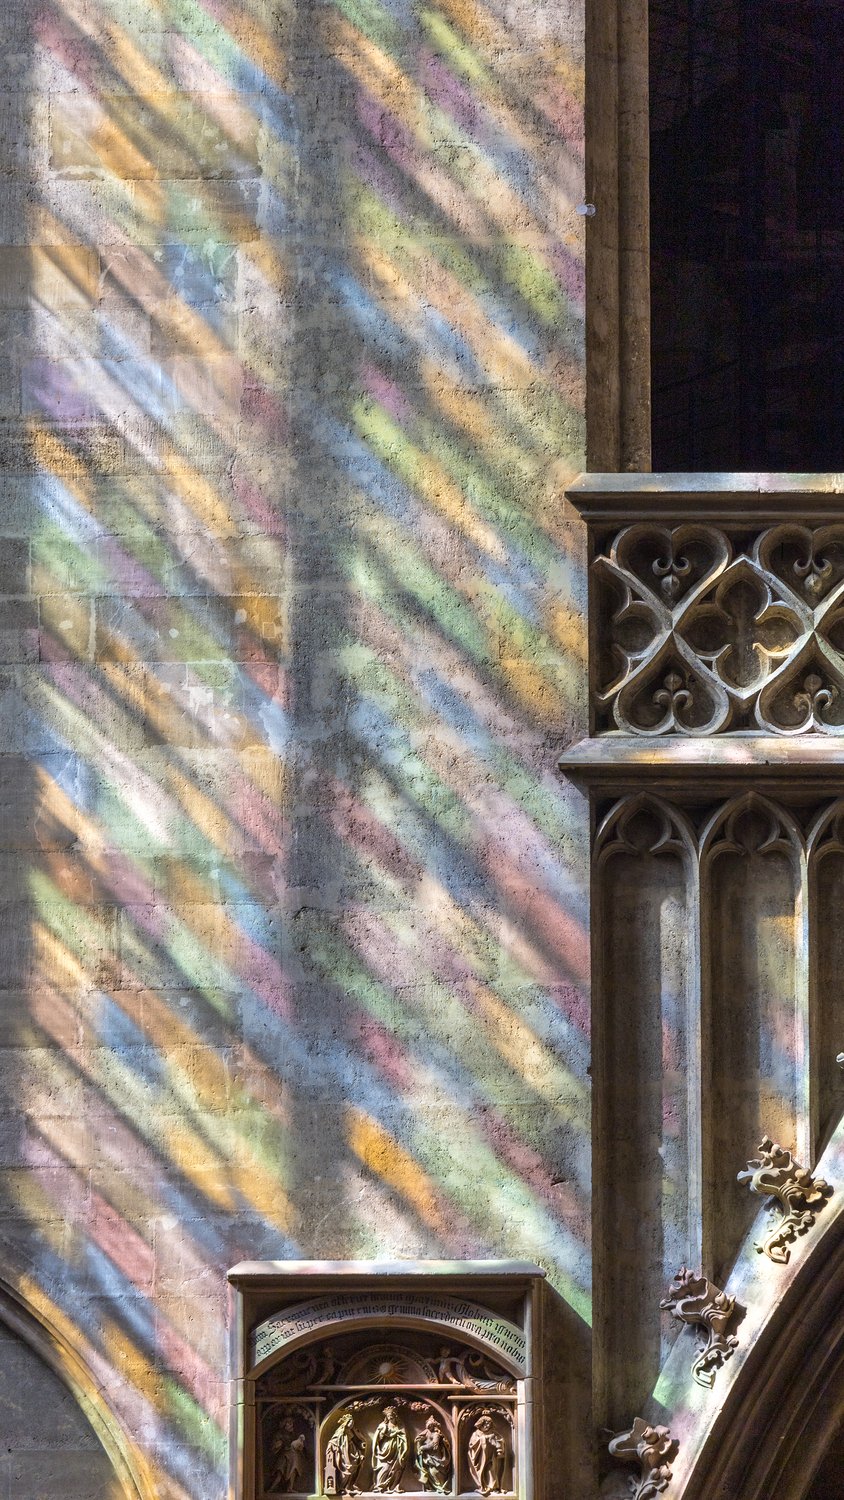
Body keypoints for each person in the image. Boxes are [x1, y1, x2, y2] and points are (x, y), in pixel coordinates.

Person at [324, 1413, 366, 1495]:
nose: (352, 1424)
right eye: (350, 1422)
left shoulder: (351, 1431)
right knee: (345, 1470)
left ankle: (348, 1486)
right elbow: (333, 1440)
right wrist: (332, 1446)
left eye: (352, 1423)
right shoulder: (340, 1431)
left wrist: (361, 1445)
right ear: (346, 1423)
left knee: (355, 1466)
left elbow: (356, 1441)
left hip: (351, 1451)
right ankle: (341, 1487)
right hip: (343, 1453)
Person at [371, 1406, 408, 1493]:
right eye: (388, 1416)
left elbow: (405, 1437)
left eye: (391, 1415)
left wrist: (404, 1449)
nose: (390, 1417)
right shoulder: (383, 1425)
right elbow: (378, 1438)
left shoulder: (401, 1426)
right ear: (386, 1417)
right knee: (385, 1467)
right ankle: (379, 1486)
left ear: (395, 1416)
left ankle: (393, 1486)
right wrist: (382, 1433)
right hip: (386, 1449)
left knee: (397, 1468)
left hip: (398, 1450)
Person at [467, 1415, 506, 1496]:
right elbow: (472, 1444)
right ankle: (483, 1486)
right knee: (482, 1470)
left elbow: (500, 1439)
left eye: (489, 1424)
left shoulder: (493, 1432)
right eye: (485, 1424)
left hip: (492, 1454)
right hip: (481, 1456)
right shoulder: (476, 1433)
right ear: (480, 1424)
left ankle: (494, 1487)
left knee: (492, 1470)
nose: (487, 1426)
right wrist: (485, 1438)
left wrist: (498, 1447)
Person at [413, 1415, 451, 1493]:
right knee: (428, 1470)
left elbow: (433, 1444)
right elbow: (420, 1437)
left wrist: (422, 1448)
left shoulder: (436, 1434)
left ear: (433, 1426)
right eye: (427, 1424)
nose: (427, 1426)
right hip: (428, 1455)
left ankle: (439, 1486)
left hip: (436, 1456)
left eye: (430, 1425)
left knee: (435, 1471)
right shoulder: (427, 1431)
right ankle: (431, 1486)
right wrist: (419, 1442)